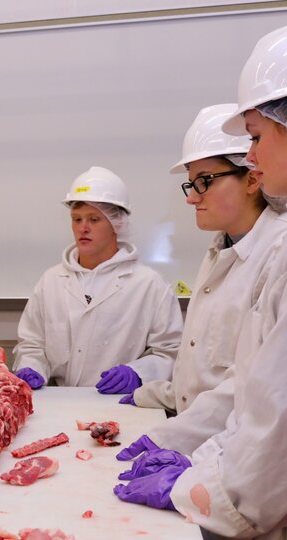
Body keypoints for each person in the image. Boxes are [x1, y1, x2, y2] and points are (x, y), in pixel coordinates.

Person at [114, 26, 287, 539]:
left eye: (256, 137)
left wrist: (198, 483)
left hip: (251, 493)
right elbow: (237, 385)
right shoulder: (221, 255)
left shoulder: (275, 251)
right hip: (229, 469)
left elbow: (266, 410)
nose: (253, 154)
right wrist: (178, 439)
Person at [118, 104, 287, 455]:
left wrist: (168, 439)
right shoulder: (220, 251)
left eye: (204, 182)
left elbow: (249, 387)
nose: (192, 197)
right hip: (202, 446)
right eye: (190, 184)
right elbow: (202, 371)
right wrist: (145, 392)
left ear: (253, 179)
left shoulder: (275, 253)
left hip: (236, 458)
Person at [12, 166, 182, 391]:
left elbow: (170, 352)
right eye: (77, 219)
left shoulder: (149, 285)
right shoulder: (51, 281)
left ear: (116, 224)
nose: (83, 228)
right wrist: (31, 367)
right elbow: (32, 344)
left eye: (94, 219)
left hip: (123, 405)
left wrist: (139, 373)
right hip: (58, 403)